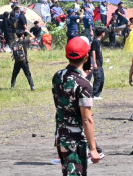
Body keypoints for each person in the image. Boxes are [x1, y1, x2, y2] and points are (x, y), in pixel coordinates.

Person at [52, 37, 100, 175]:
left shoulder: (58, 76)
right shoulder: (84, 85)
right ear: (86, 57)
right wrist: (93, 148)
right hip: (75, 137)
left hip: (61, 134)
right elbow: (86, 119)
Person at [89, 28, 105, 99]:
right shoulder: (95, 41)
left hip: (100, 64)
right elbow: (93, 52)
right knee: (98, 78)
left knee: (101, 79)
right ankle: (94, 94)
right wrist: (94, 63)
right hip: (96, 63)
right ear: (102, 33)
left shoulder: (98, 41)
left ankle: (97, 94)